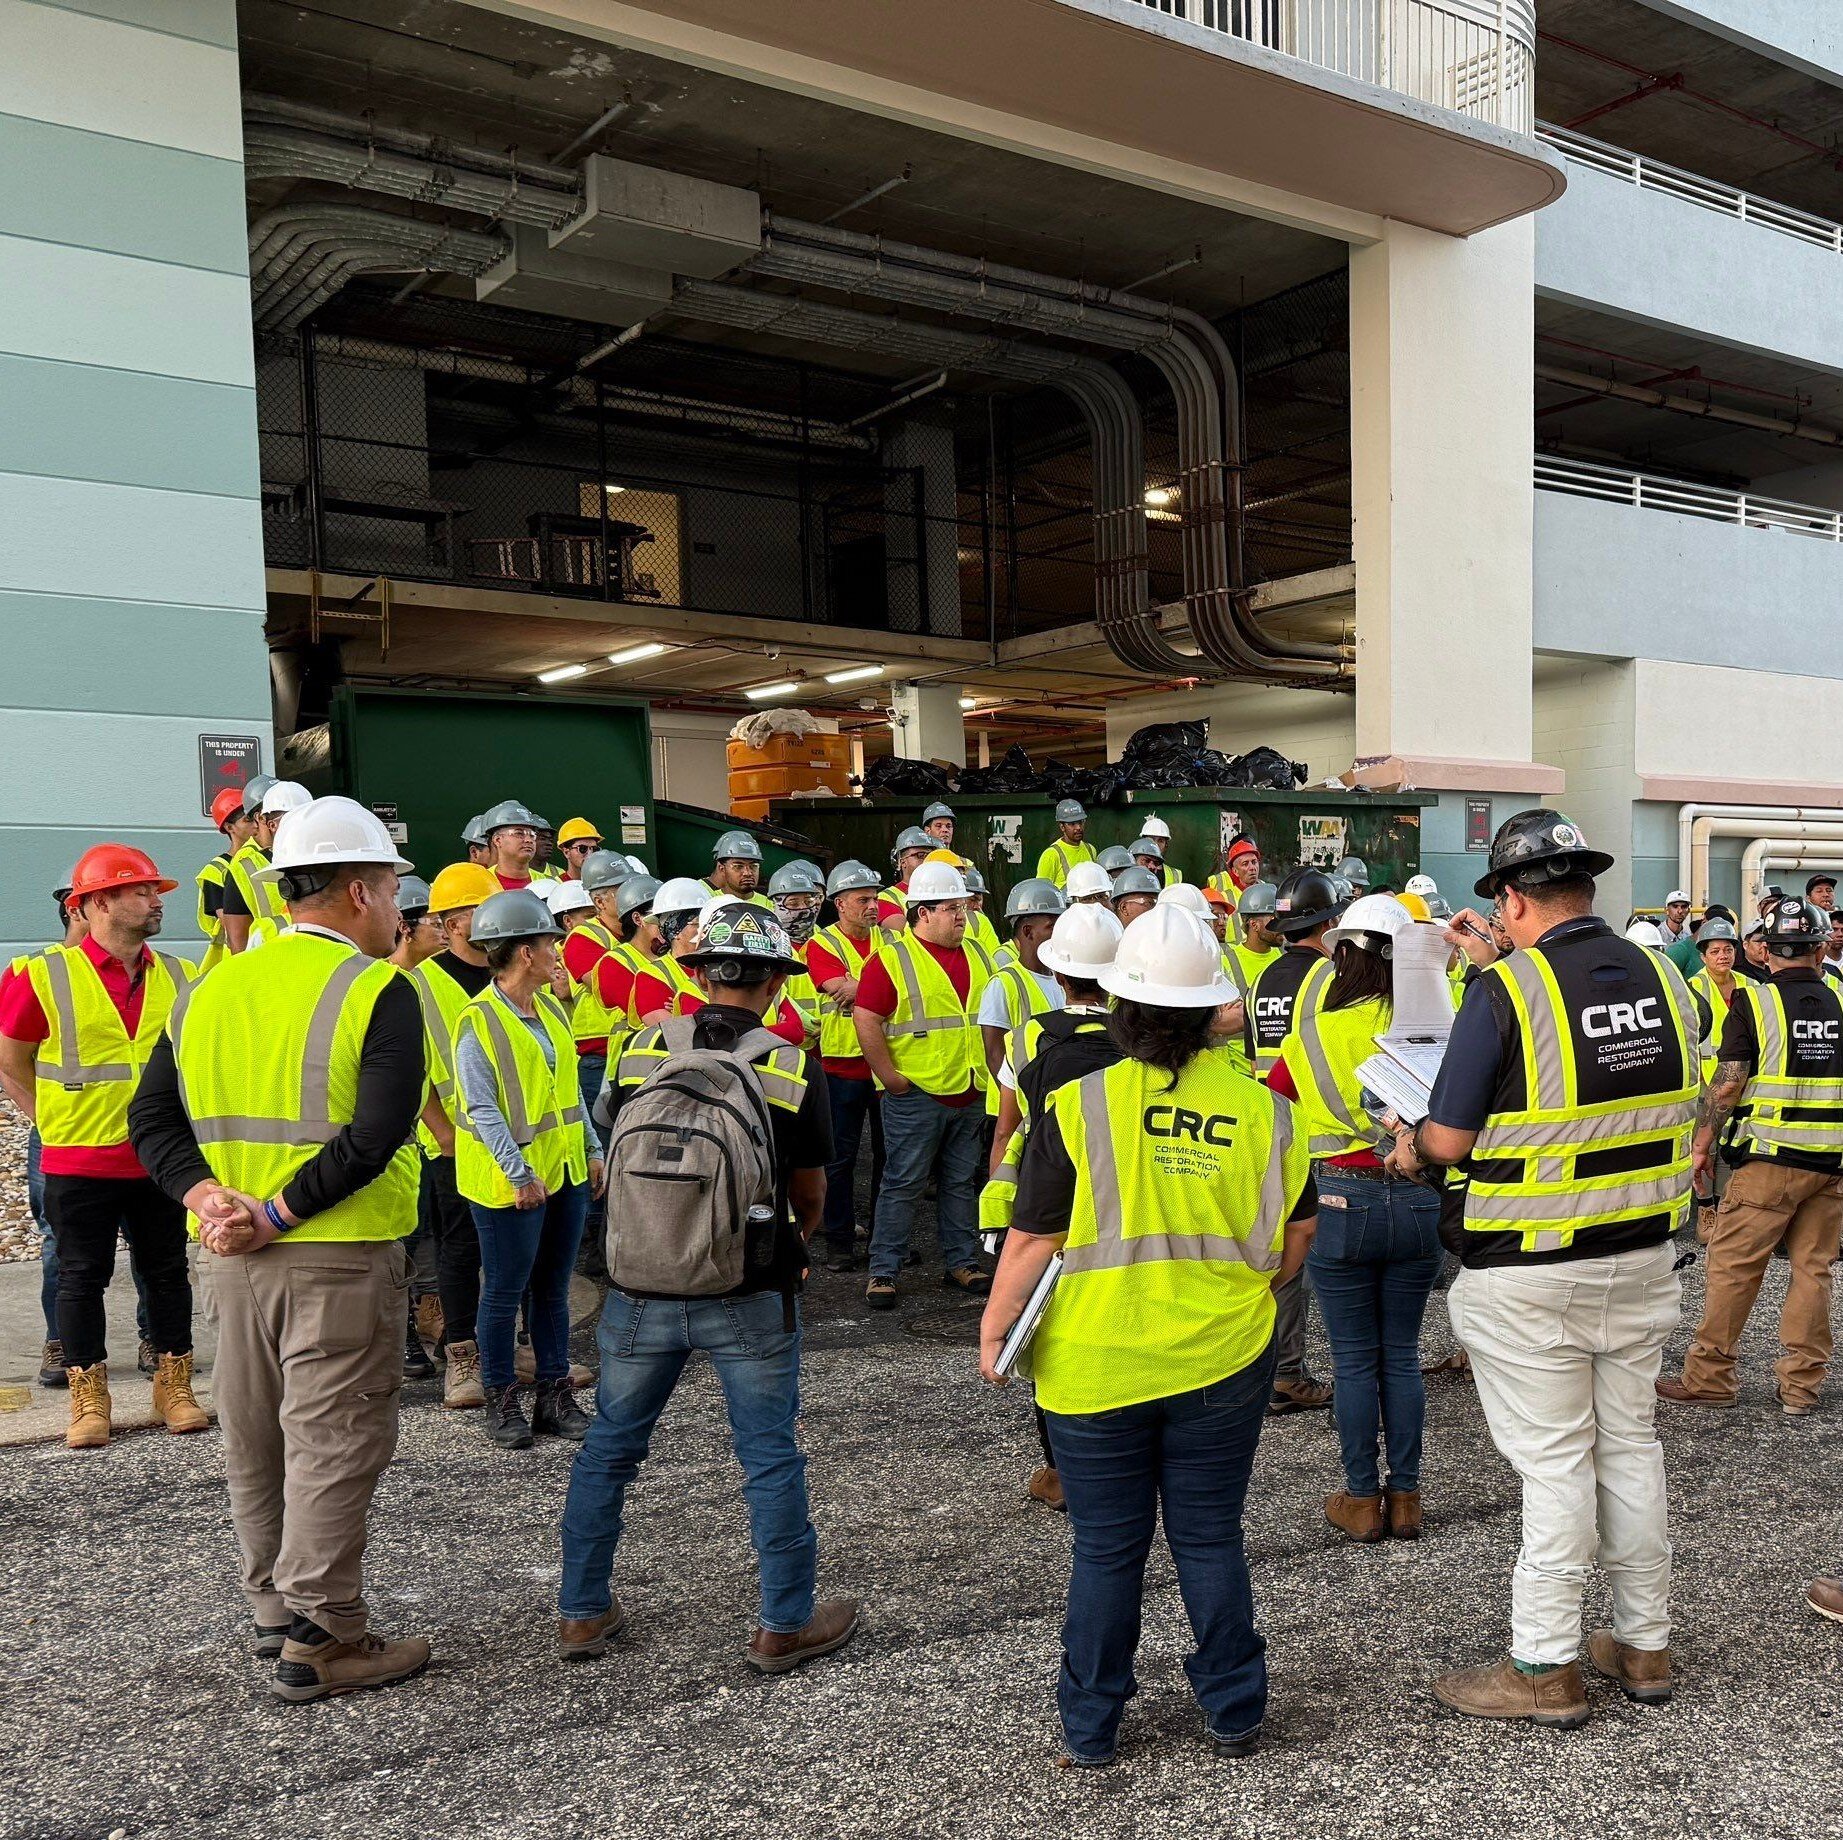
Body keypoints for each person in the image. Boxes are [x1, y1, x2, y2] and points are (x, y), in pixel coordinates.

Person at [978, 903, 1316, 1766]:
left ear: (1119, 1005)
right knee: (1208, 1538)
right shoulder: (1265, 1110)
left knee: (1105, 1549)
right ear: (1210, 1011)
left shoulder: (1081, 1101)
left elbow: (1033, 1236)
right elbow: (1295, 1239)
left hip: (1095, 1365)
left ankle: (1091, 1728)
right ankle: (1233, 1710)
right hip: (1224, 1355)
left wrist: (994, 1327)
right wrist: (1248, 1292)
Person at [1386, 809, 1698, 1728]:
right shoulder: (1669, 983)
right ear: (1585, 890)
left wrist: (1407, 1153)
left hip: (1529, 1272)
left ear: (1511, 900)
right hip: (1641, 1256)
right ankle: (1643, 1644)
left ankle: (1543, 1665)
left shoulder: (1504, 994)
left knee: (1557, 1466)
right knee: (1629, 1449)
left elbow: (1447, 1138)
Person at [128, 796, 430, 1700]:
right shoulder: (378, 990)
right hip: (335, 1251)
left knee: (255, 1440)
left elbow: (150, 1118)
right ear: (356, 891)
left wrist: (207, 1195)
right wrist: (278, 1210)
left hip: (227, 1260)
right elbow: (374, 1136)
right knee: (336, 1439)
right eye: (390, 891)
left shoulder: (209, 989)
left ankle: (272, 1612)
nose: (397, 912)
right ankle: (325, 1634)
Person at [559, 903, 857, 1674]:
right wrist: (791, 1250)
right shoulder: (789, 1066)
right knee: (767, 1456)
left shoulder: (636, 1053)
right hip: (749, 1287)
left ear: (695, 974)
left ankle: (583, 1612)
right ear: (774, 984)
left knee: (608, 1451)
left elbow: (611, 1153)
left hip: (637, 1285)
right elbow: (812, 1195)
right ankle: (782, 1624)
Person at [0, 846, 204, 1450]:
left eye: (154, 890)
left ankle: (175, 1384)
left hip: (159, 1162)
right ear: (94, 904)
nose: (156, 899)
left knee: (168, 1274)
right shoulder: (41, 975)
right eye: (140, 890)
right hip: (77, 1160)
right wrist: (51, 1123)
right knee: (79, 1278)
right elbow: (12, 1062)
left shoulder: (180, 977)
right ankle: (90, 1396)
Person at [1269, 894, 1441, 1543]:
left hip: (1341, 1201)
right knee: (1398, 1354)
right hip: (1418, 1198)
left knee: (1350, 1360)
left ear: (1342, 955)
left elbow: (1274, 1100)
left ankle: (1361, 1499)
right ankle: (1406, 1498)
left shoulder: (1313, 1031)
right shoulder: (1432, 1029)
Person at [1658, 897, 1842, 1417]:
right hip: (1831, 1165)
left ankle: (1711, 1377)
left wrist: (1700, 1145)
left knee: (1733, 1267)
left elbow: (1728, 1084)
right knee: (1813, 1270)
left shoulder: (1755, 1002)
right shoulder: (1842, 998)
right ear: (1820, 945)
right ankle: (1801, 1388)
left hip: (1768, 1163)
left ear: (1767, 949)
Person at [983, 903, 1124, 1513]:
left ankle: (1061, 1467)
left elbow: (1006, 1129)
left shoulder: (1030, 1035)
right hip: (1120, 1196)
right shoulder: (1138, 1036)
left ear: (1057, 973)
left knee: (1050, 1330)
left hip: (1049, 1193)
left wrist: (1001, 1203)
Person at [454, 889, 603, 1451]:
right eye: (548, 943)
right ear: (522, 953)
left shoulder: (551, 1012)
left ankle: (554, 1396)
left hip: (562, 1175)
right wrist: (518, 1174)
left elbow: (568, 1096)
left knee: (553, 1291)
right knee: (504, 1293)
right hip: (510, 1186)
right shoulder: (479, 1022)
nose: (557, 952)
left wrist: (591, 1148)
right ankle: (501, 1401)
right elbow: (481, 1107)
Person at [853, 859, 994, 1309]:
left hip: (969, 1089)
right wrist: (891, 1079)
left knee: (958, 1183)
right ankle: (883, 1271)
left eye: (964, 906)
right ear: (922, 912)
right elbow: (867, 1018)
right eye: (951, 907)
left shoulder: (980, 955)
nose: (962, 915)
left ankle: (962, 1262)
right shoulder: (891, 960)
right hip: (916, 1094)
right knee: (903, 1182)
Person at [1244, 867, 1346, 1417]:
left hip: (1267, 1127)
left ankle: (1272, 1368)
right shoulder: (1327, 981)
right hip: (1315, 1134)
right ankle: (1288, 1371)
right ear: (1327, 923)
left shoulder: (1263, 980)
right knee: (1311, 1257)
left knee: (1276, 1252)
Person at [805, 860, 886, 1274]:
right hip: (842, 1067)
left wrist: (862, 989)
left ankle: (883, 1237)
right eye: (864, 899)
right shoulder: (821, 945)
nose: (873, 906)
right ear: (839, 903)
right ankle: (839, 1240)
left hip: (884, 1063)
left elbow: (861, 993)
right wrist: (883, 991)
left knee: (888, 1158)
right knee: (841, 1158)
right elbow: (838, 990)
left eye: (875, 898)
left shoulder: (889, 938)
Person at [387, 874, 441, 1377]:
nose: (443, 929)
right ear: (405, 927)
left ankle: (431, 1317)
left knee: (431, 1238)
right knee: (405, 1239)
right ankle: (403, 1333)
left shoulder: (430, 981)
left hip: (432, 1137)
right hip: (404, 1136)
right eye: (433, 921)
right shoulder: (384, 983)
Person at [979, 879, 1066, 1135]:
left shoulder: (1063, 978)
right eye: (1052, 926)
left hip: (1051, 1107)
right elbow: (994, 1054)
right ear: (1028, 931)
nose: (1060, 933)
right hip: (1016, 1114)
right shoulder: (1003, 984)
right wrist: (1022, 1105)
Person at [222, 780, 312, 952]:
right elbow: (238, 941)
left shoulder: (320, 857)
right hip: (268, 963)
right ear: (260, 818)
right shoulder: (244, 865)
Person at [197, 787, 256, 972]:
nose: (255, 824)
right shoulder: (215, 871)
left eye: (255, 817)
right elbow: (230, 924)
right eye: (247, 820)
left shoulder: (262, 860)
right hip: (234, 961)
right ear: (230, 828)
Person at [1685, 917, 1740, 1082]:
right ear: (1703, 957)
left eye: (1728, 950)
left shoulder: (1751, 985)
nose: (1723, 956)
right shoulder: (1693, 987)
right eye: (1715, 952)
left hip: (1745, 1076)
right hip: (1706, 1079)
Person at [478, 799, 550, 891]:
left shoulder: (547, 883)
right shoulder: (480, 882)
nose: (529, 840)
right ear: (497, 840)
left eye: (532, 835)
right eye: (519, 833)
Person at [877, 827, 935, 933]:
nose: (927, 860)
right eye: (920, 855)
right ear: (902, 861)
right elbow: (903, 935)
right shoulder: (886, 898)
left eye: (930, 855)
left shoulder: (941, 891)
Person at [1035, 799, 1096, 889]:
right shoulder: (1051, 855)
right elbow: (1042, 890)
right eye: (1072, 824)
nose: (1078, 827)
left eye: (1081, 822)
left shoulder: (1091, 849)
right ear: (1062, 827)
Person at [707, 830, 774, 910]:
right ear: (722, 869)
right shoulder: (709, 900)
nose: (748, 873)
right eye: (738, 866)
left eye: (753, 866)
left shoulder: (769, 906)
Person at [1208, 834, 1262, 903]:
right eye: (1245, 863)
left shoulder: (1265, 888)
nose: (1252, 867)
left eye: (1254, 862)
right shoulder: (1216, 882)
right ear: (1235, 870)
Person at [556, 817, 603, 882]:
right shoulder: (556, 886)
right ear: (566, 852)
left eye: (595, 849)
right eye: (583, 848)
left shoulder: (604, 883)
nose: (590, 854)